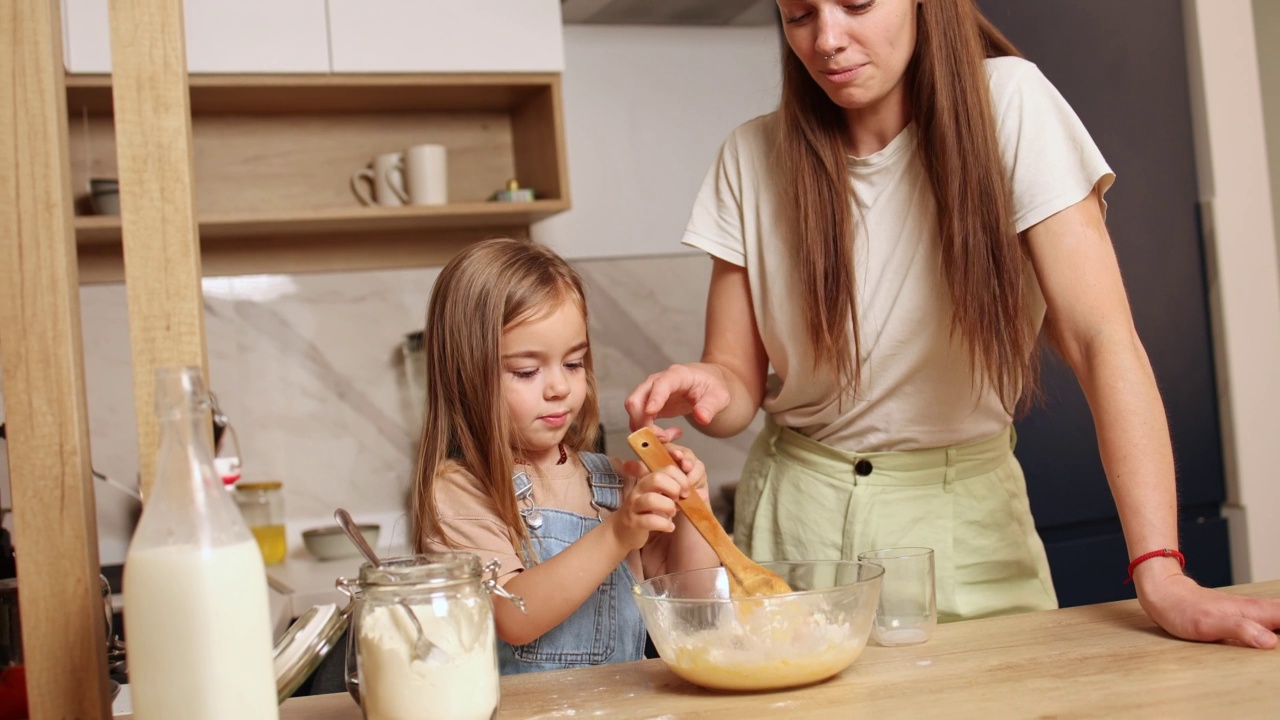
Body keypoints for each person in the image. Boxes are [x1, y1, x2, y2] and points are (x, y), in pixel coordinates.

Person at [625, 0, 1280, 647]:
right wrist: (711, 382)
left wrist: (1159, 573)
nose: (826, 39)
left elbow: (1102, 340)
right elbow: (738, 381)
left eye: (856, 4)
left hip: (964, 529)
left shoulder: (1013, 106)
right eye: (799, 15)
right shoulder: (750, 155)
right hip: (798, 535)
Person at [412, 237, 719, 674]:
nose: (559, 387)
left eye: (573, 363)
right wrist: (617, 534)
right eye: (527, 371)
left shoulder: (615, 483)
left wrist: (693, 504)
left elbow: (695, 607)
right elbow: (513, 616)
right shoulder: (459, 494)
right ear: (466, 376)